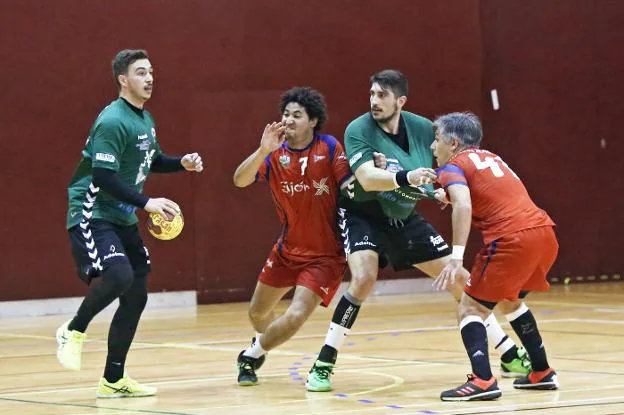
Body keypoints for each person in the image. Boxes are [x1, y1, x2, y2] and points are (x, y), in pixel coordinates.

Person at [305, 70, 528, 392]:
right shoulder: (358, 129)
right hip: (362, 214)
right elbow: (367, 178)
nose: (374, 101)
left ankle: (506, 352)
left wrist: (440, 188)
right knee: (364, 278)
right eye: (371, 94)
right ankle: (324, 362)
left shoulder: (424, 128)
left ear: (401, 100)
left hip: (403, 215)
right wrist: (408, 178)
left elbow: (446, 164)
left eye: (382, 95)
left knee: (461, 281)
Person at [57, 49, 204, 398]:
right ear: (124, 80)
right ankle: (73, 330)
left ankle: (113, 379)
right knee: (119, 276)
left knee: (136, 295)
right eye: (141, 72)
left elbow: (150, 162)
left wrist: (180, 163)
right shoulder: (112, 121)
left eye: (151, 71)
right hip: (93, 213)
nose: (150, 78)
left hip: (122, 215)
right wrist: (148, 203)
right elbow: (104, 175)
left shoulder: (145, 120)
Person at [431, 112, 559, 401]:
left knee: (470, 309)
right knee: (512, 302)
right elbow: (488, 194)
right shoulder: (492, 158)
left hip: (512, 240)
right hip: (544, 234)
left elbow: (463, 205)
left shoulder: (453, 165)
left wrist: (456, 257)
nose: (432, 147)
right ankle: (541, 371)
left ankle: (483, 380)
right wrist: (444, 194)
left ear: (452, 143)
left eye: (436, 139)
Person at [232, 87, 352, 386]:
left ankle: (251, 354)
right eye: (285, 114)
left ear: (312, 121)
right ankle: (261, 342)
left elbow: (349, 185)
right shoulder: (275, 155)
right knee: (258, 314)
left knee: (296, 314)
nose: (288, 120)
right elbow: (239, 180)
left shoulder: (329, 147)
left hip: (325, 256)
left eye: (297, 115)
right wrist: (263, 150)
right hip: (287, 251)